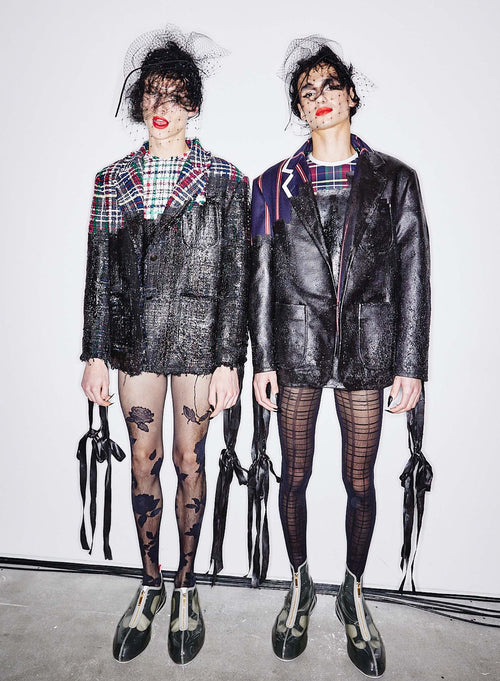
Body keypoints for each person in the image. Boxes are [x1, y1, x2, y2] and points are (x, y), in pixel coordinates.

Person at [249, 36, 430, 678]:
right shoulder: (270, 185)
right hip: (296, 345)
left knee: (361, 481)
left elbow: (413, 274)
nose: (319, 98)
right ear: (299, 109)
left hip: (368, 345)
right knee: (292, 476)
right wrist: (262, 360)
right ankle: (299, 585)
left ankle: (353, 592)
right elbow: (260, 278)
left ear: (351, 96)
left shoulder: (395, 180)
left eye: (330, 86)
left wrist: (411, 364)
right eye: (307, 91)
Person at [80, 27, 249, 665]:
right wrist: (94, 354)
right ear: (139, 101)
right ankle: (150, 582)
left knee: (189, 458)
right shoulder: (112, 180)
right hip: (134, 339)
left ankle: (186, 584)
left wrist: (231, 358)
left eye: (176, 96)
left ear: (193, 106)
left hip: (201, 341)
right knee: (142, 458)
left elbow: (236, 276)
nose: (163, 107)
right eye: (153, 93)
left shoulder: (225, 180)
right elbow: (99, 272)